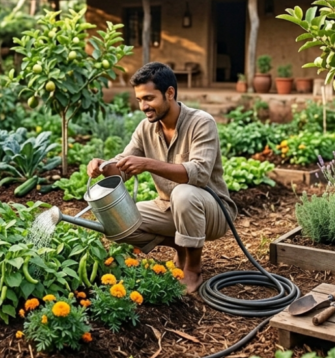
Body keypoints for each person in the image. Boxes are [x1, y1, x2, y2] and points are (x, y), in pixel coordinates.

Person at [88, 62, 237, 294]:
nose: (143, 106)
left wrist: (147, 164)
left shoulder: (201, 122)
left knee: (183, 193)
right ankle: (181, 246)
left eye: (149, 98)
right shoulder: (146, 128)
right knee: (118, 220)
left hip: (213, 211)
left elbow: (198, 174)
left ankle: (193, 269)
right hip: (168, 208)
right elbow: (123, 167)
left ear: (170, 93)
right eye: (139, 100)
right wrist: (104, 166)